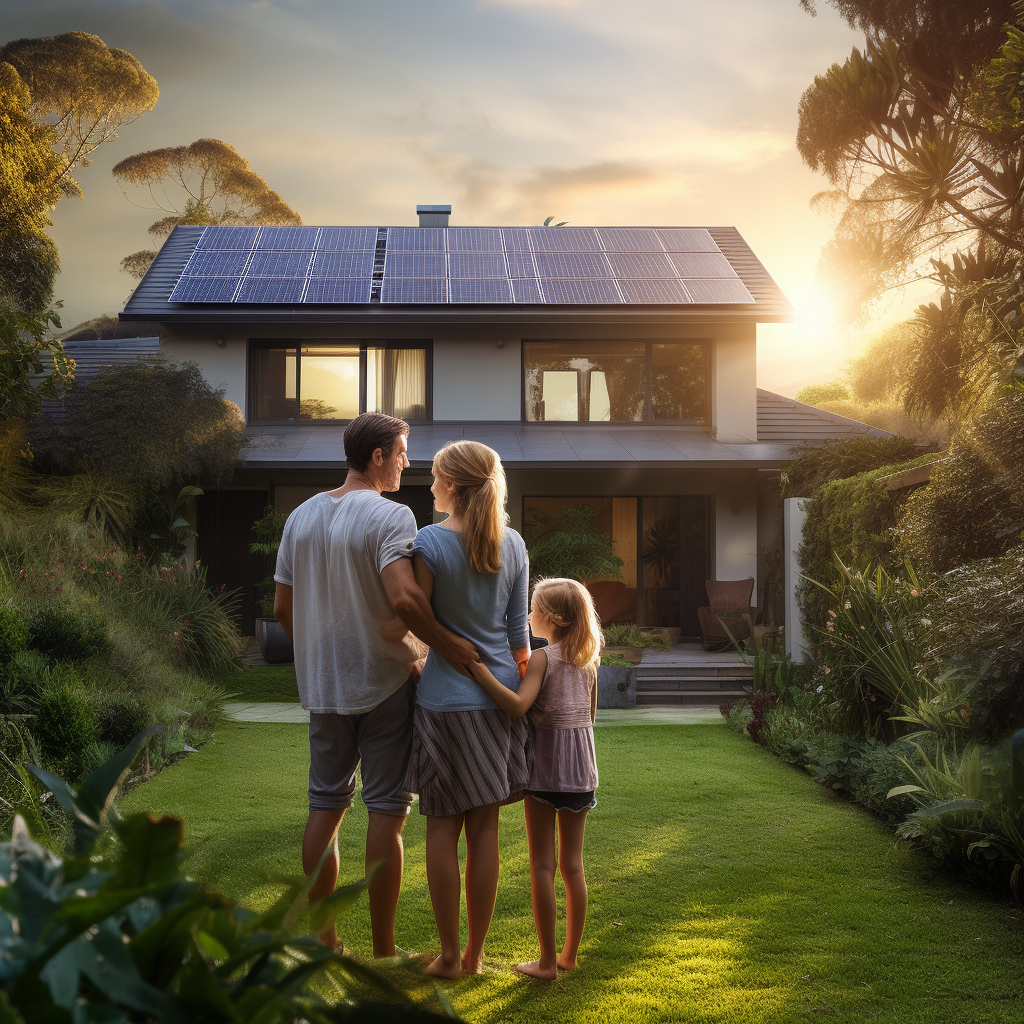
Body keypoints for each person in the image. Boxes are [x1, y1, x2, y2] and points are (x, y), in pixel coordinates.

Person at [273, 412, 478, 955]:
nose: (407, 462)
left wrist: (318, 655)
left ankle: (324, 939)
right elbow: (406, 599)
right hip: (386, 681)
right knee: (386, 812)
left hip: (324, 689)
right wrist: (447, 646)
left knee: (325, 807)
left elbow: (280, 606)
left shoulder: (299, 517)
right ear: (378, 457)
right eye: (402, 452)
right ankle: (384, 950)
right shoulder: (391, 516)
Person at [404, 440, 531, 979]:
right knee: (484, 832)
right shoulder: (515, 544)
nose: (430, 485)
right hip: (499, 699)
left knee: (440, 828)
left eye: (434, 477)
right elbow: (519, 638)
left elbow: (419, 623)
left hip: (444, 700)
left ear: (452, 486)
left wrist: (419, 662)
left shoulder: (428, 542)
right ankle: (475, 959)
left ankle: (451, 956)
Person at [467, 577, 601, 980]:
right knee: (572, 866)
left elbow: (518, 706)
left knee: (542, 864)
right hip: (581, 772)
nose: (527, 616)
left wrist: (479, 672)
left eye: (533, 609)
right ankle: (569, 956)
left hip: (545, 770)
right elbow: (588, 720)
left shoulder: (544, 659)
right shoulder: (589, 664)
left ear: (551, 618)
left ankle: (545, 963)